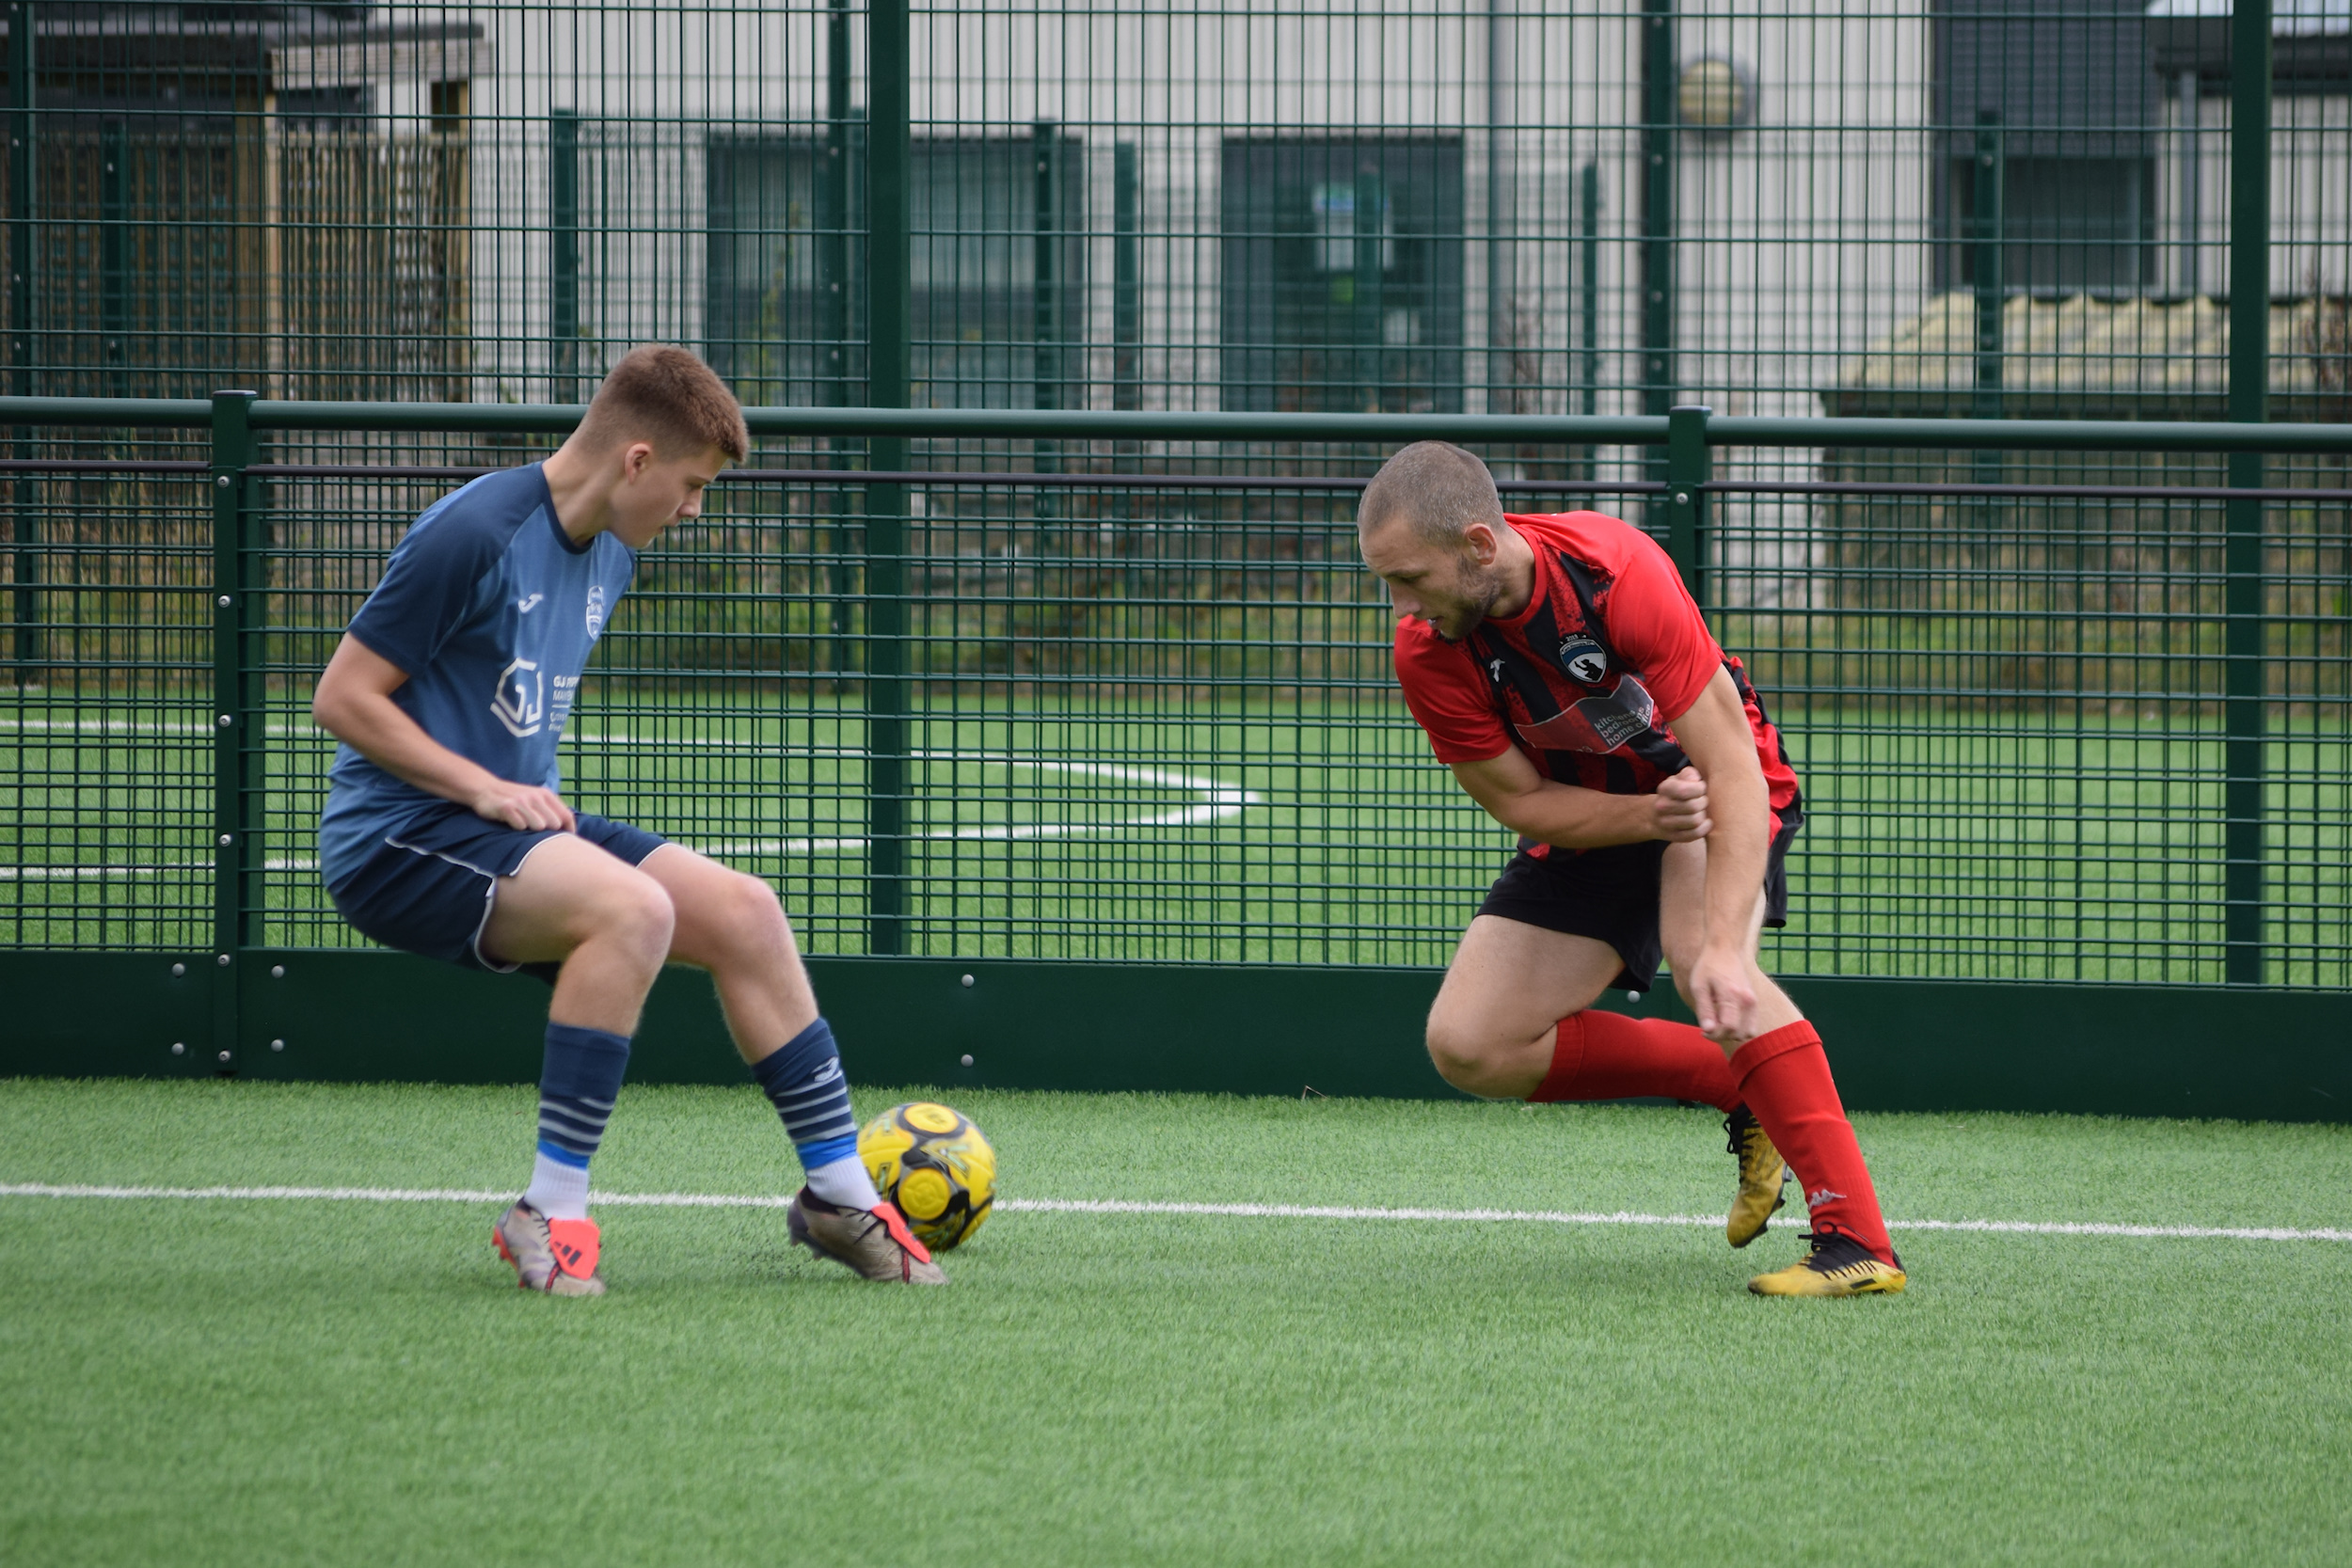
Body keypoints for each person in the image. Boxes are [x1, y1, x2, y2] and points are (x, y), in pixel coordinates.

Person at [310, 344, 942, 1293]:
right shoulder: (474, 529)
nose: (695, 510)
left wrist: (510, 797)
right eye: (692, 485)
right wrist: (480, 787)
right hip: (397, 838)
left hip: (514, 829)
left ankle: (838, 1196)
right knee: (633, 909)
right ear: (636, 460)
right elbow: (341, 696)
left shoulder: (614, 546)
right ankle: (549, 1210)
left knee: (746, 910)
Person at [1356, 441, 1904, 1297]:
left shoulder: (1613, 572)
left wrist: (1723, 944)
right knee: (1470, 1043)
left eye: (1410, 577)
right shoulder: (1428, 649)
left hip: (1712, 790)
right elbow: (1523, 802)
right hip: (1605, 814)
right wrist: (1640, 817)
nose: (1401, 604)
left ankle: (1858, 1241)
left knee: (1706, 963)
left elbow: (1730, 766)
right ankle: (1739, 1084)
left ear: (1477, 545)